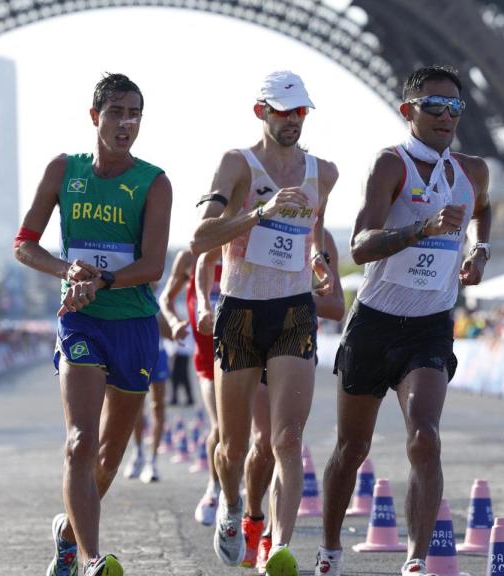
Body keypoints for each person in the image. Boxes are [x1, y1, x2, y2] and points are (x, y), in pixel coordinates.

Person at [314, 65, 491, 576]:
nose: (445, 116)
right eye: (434, 105)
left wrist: (479, 250)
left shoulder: (473, 170)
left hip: (429, 324)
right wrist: (422, 228)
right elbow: (360, 246)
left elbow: (483, 208)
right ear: (408, 110)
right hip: (374, 322)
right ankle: (329, 548)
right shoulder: (391, 165)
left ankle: (416, 559)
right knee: (352, 448)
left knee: (426, 435)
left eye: (454, 107)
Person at [13, 73, 172, 576]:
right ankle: (90, 558)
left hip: (134, 324)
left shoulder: (155, 181)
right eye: (117, 113)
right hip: (81, 322)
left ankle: (67, 532)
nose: (126, 124)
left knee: (106, 458)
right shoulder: (63, 170)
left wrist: (100, 280)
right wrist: (68, 273)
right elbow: (24, 243)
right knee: (80, 441)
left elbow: (152, 266)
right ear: (94, 116)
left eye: (135, 114)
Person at [189, 70, 338, 575]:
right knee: (232, 448)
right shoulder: (238, 164)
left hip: (294, 309)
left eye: (300, 111)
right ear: (261, 112)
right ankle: (233, 510)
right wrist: (261, 211)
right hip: (241, 311)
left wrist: (319, 264)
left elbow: (315, 233)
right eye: (283, 111)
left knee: (287, 440)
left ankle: (278, 546)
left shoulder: (323, 171)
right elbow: (200, 238)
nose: (293, 120)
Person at [207, 228, 345, 573]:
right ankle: (245, 512)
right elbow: (202, 254)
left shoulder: (320, 238)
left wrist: (296, 295)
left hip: (292, 333)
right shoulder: (244, 215)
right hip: (245, 331)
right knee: (253, 445)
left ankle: (277, 543)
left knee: (286, 441)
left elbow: (338, 306)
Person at [157, 249, 223, 525]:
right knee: (220, 427)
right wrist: (173, 323)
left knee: (256, 433)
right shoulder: (189, 258)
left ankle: (244, 497)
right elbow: (166, 298)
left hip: (247, 352)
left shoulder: (245, 245)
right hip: (208, 358)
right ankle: (214, 488)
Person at [122, 312, 173, 484]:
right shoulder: (130, 290)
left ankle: (153, 460)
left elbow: (169, 333)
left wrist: (158, 313)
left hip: (158, 354)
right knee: (137, 404)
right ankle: (138, 452)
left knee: (158, 406)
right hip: (135, 354)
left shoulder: (158, 299)